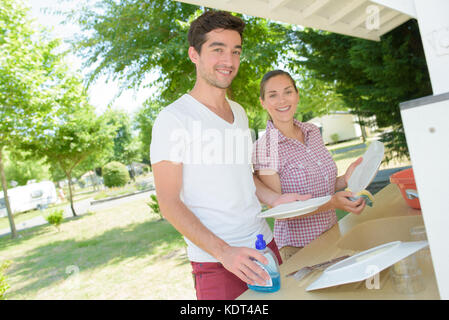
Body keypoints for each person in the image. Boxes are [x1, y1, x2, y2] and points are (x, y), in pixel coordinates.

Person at [150, 11, 309, 300]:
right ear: (194, 54)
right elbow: (169, 202)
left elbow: (242, 174)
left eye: (235, 51)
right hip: (217, 262)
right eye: (217, 49)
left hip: (264, 247)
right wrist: (225, 252)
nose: (229, 60)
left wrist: (274, 199)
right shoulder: (173, 119)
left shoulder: (238, 112)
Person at [253, 70, 367, 262]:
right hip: (298, 249)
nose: (282, 100)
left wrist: (345, 179)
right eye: (273, 95)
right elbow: (283, 211)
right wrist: (332, 203)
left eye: (287, 92)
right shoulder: (265, 148)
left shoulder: (312, 131)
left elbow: (319, 187)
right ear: (263, 102)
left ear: (297, 95)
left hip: (332, 233)